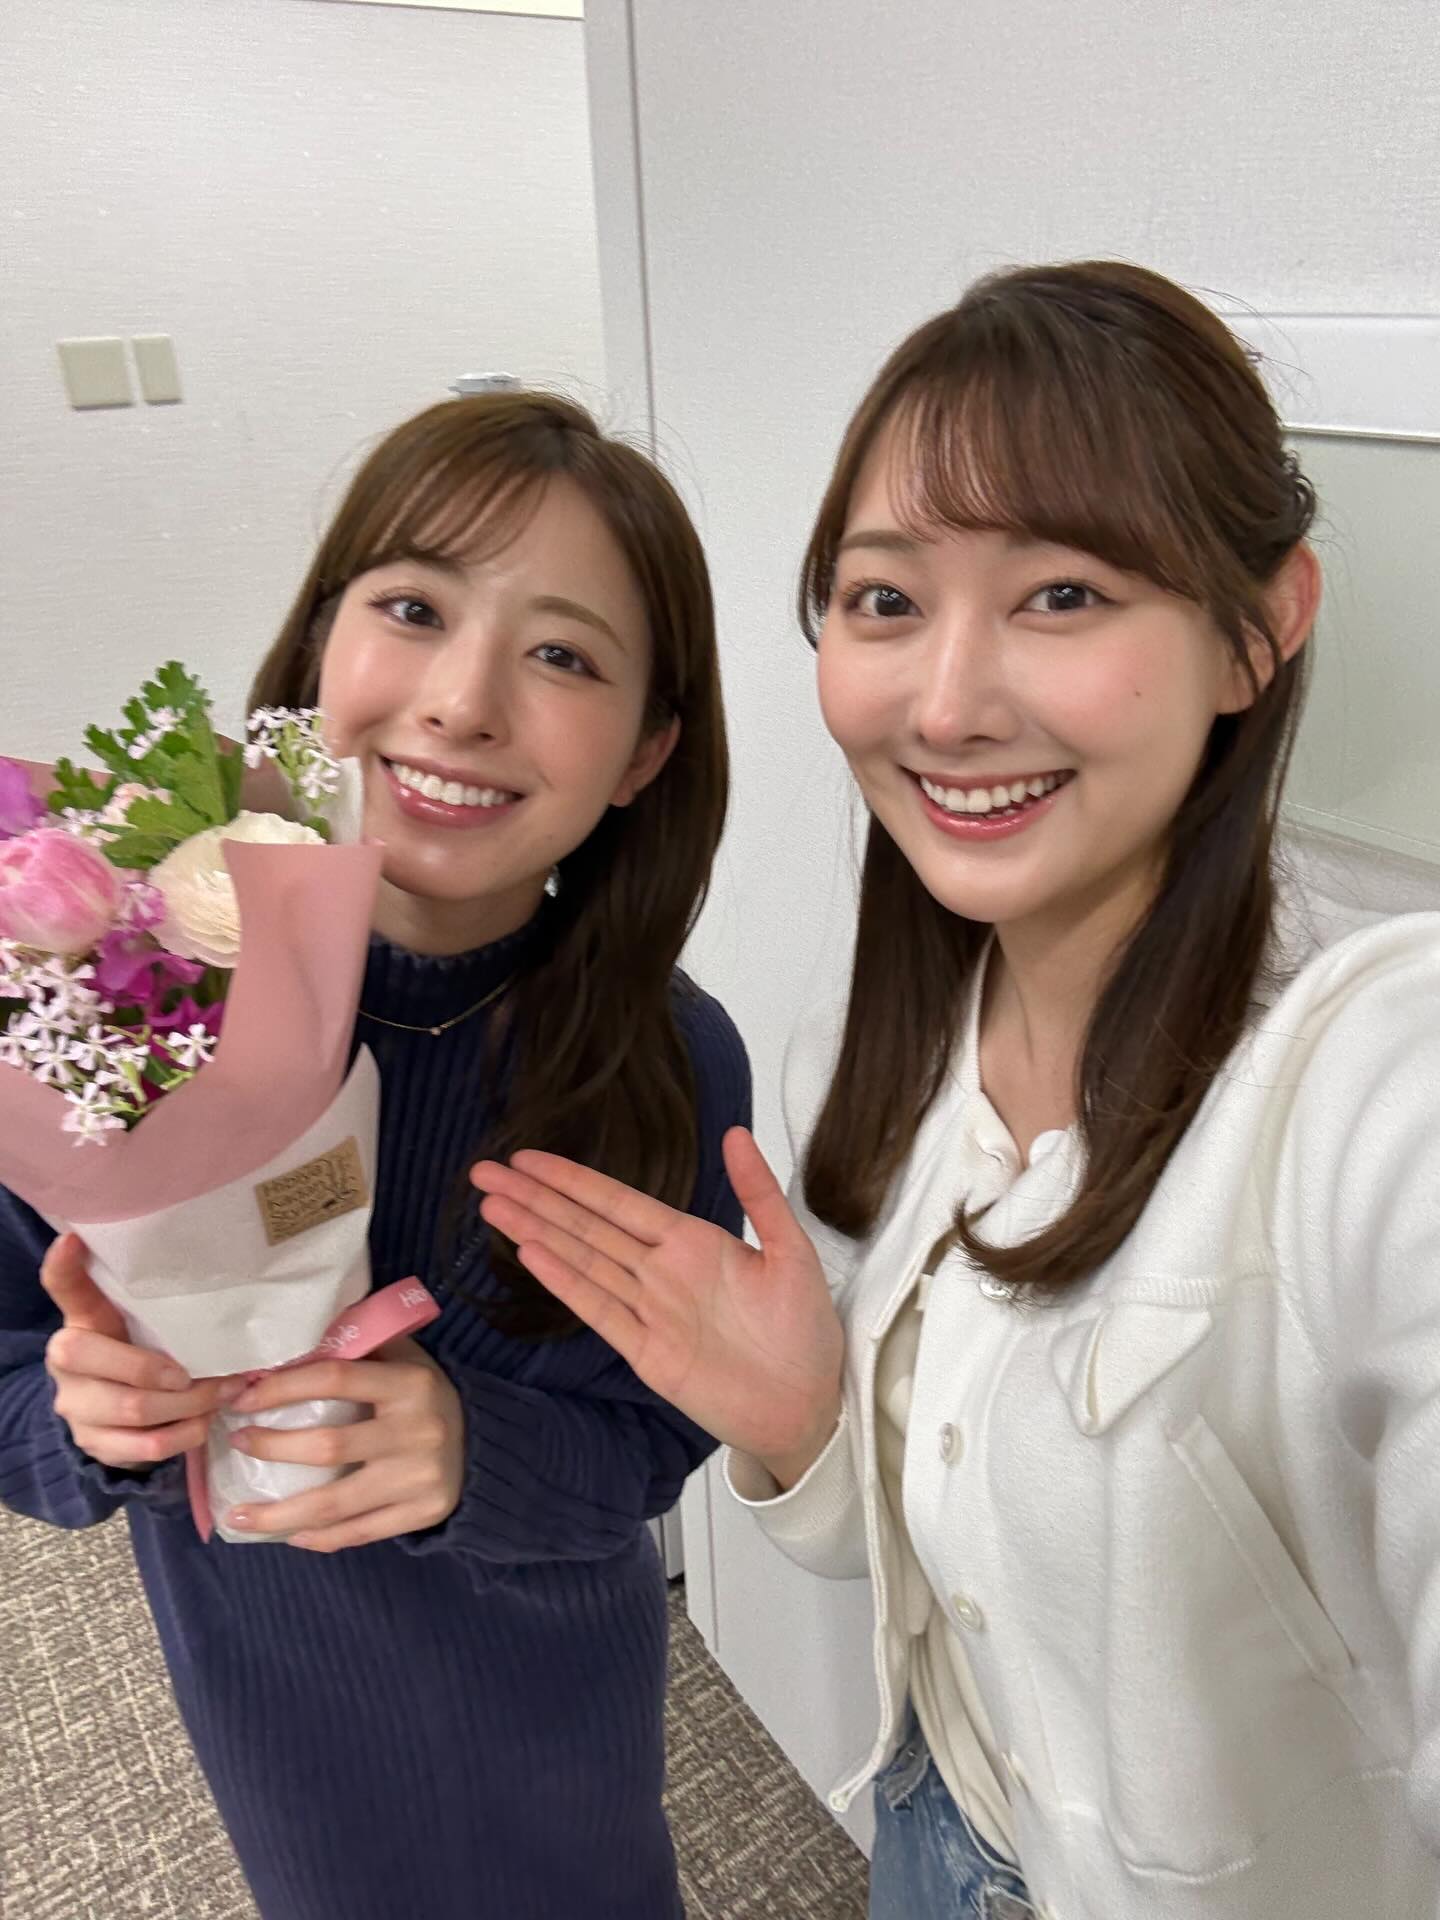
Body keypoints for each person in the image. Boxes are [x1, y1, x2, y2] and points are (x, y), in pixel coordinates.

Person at [473, 263, 1440, 1919]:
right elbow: (930, 1554)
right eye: (884, 600)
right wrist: (800, 1427)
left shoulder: (1371, 1072)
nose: (943, 704)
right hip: (934, 1833)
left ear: (1260, 629)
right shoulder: (874, 1051)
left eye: (1063, 594)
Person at [0, 391, 751, 1920]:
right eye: (413, 608)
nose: (462, 703)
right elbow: (15, 1361)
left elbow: (665, 1434)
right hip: (277, 1706)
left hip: (561, 1698)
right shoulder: (123, 1005)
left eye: (564, 656)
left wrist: (480, 1451)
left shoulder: (667, 1059)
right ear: (318, 648)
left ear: (645, 753)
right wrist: (89, 1424)